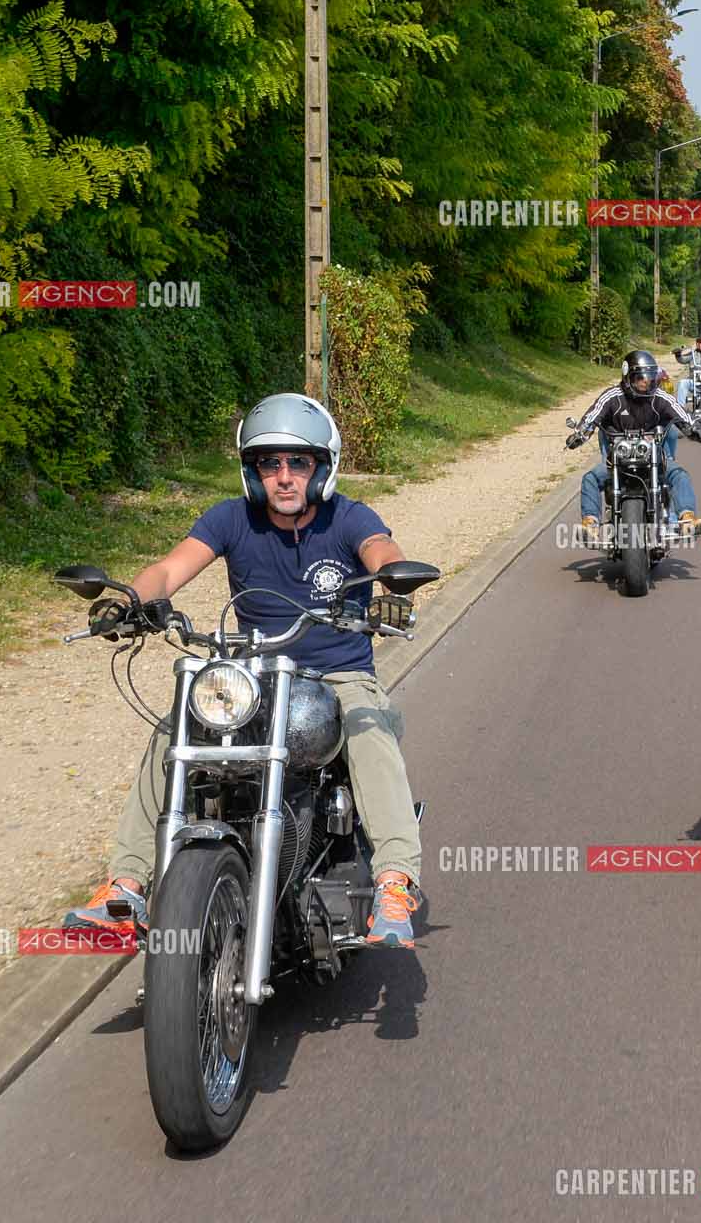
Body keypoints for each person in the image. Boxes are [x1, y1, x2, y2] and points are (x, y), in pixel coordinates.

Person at [62, 393, 427, 947]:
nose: (283, 477)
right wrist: (130, 600)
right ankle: (127, 886)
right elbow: (169, 568)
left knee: (367, 728)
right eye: (269, 464)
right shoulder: (231, 518)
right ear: (252, 472)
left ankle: (395, 879)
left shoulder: (349, 517)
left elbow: (380, 548)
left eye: (297, 463)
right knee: (174, 732)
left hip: (336, 673)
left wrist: (392, 584)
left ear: (321, 467)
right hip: (252, 676)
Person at [571, 349, 701, 535]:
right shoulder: (611, 396)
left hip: (653, 456)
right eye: (640, 377)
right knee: (591, 478)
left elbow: (680, 412)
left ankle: (687, 518)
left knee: (679, 475)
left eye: (650, 377)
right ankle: (591, 523)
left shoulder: (659, 397)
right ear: (628, 376)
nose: (646, 381)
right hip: (617, 459)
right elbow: (593, 415)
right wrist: (581, 433)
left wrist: (695, 427)